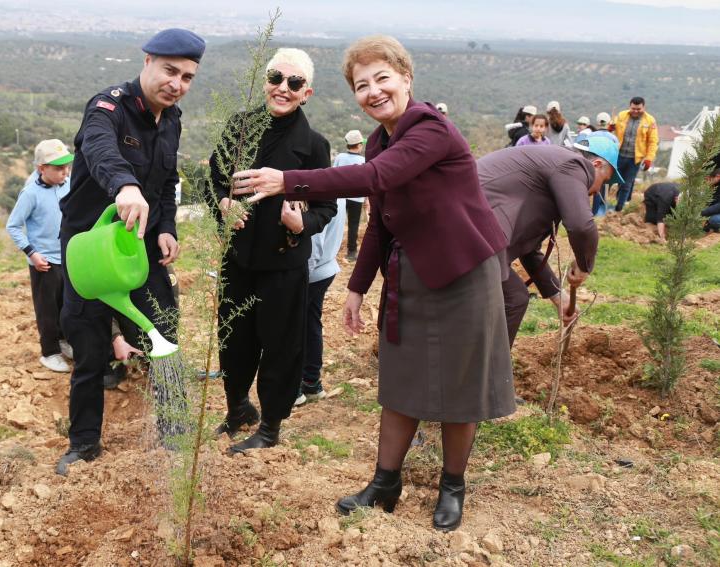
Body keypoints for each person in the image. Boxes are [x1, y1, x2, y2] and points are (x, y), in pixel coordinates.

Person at [232, 35, 514, 532]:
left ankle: (453, 486)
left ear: (407, 78)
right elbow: (382, 217)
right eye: (362, 85)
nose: (374, 91)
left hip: (464, 269)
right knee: (401, 379)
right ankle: (385, 483)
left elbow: (376, 179)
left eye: (383, 78)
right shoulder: (384, 139)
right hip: (412, 271)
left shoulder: (430, 130)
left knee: (459, 382)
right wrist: (358, 286)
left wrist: (287, 181)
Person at [55, 28, 205, 476]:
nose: (176, 83)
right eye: (169, 70)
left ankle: (176, 436)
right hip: (88, 249)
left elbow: (166, 184)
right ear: (146, 62)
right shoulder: (108, 107)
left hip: (139, 250)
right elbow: (100, 150)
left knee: (164, 337)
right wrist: (124, 185)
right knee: (89, 347)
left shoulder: (172, 120)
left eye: (187, 77)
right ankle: (83, 445)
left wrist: (166, 227)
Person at [210, 48, 337, 454]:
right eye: (276, 78)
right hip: (238, 260)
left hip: (283, 264)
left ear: (307, 93)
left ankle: (269, 427)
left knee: (281, 346)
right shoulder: (240, 127)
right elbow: (213, 180)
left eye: (294, 83)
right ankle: (237, 409)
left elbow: (327, 207)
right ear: (266, 80)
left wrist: (303, 224)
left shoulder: (314, 145)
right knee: (233, 339)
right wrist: (223, 205)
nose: (283, 88)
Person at [477, 136, 624, 347]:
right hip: (471, 233)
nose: (598, 191)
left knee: (514, 298)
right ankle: (487, 374)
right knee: (511, 300)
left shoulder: (553, 167)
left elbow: (529, 250)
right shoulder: (572, 164)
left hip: (473, 233)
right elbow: (581, 225)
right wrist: (584, 265)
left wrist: (558, 296)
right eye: (605, 180)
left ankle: (488, 372)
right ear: (596, 164)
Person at [6, 139, 74, 373]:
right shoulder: (31, 193)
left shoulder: (68, 183)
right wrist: (32, 254)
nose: (64, 172)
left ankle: (64, 342)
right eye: (58, 168)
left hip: (68, 256)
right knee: (47, 309)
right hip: (44, 262)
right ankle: (50, 352)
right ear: (41, 169)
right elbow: (13, 226)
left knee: (67, 305)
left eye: (67, 166)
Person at [293, 195, 347, 406]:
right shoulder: (337, 191)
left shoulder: (317, 193)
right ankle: (311, 383)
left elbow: (314, 242)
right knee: (310, 324)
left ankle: (295, 390)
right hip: (325, 268)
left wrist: (299, 281)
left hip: (312, 272)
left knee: (294, 329)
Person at [612, 96, 658, 212]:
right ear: (630, 106)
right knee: (619, 181)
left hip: (635, 159)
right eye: (633, 108)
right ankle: (622, 201)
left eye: (638, 109)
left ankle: (619, 208)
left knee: (626, 183)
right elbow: (613, 128)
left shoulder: (650, 121)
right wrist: (610, 127)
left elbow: (653, 141)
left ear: (643, 107)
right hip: (619, 155)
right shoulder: (622, 116)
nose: (636, 111)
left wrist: (649, 159)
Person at [334, 129, 366, 260]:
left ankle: (332, 250)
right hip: (357, 198)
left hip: (340, 197)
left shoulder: (340, 157)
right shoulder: (364, 160)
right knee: (353, 225)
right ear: (359, 145)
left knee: (336, 224)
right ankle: (351, 252)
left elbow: (333, 174)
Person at [701, 167, 720, 232]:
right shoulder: (716, 187)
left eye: (709, 179)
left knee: (714, 219)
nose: (707, 181)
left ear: (718, 176)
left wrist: (702, 212)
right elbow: (714, 201)